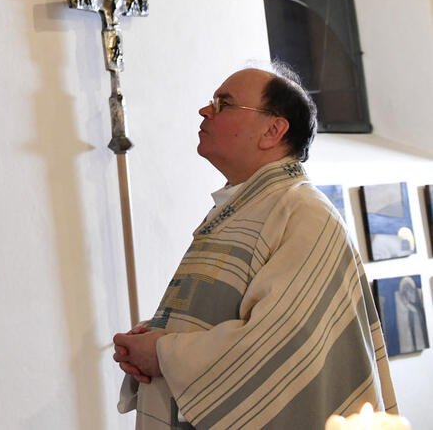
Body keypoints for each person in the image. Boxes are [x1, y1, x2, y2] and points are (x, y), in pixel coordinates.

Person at [113, 64, 396, 428]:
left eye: (223, 103)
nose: (205, 111)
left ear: (273, 130)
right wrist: (157, 335)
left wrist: (162, 353)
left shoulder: (304, 213)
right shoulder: (241, 209)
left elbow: (283, 347)